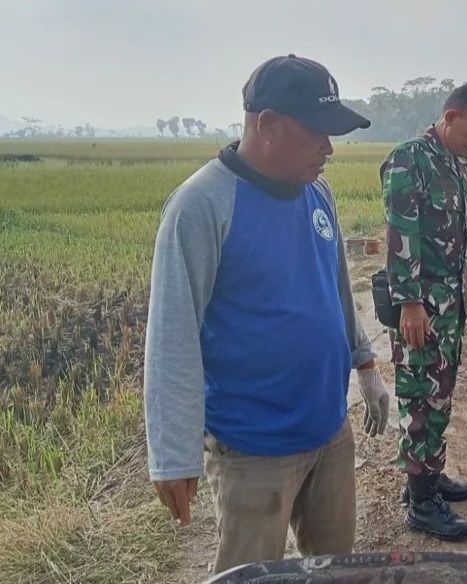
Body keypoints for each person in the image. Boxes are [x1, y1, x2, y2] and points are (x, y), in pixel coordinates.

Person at [143, 54, 390, 574]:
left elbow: (337, 285)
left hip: (328, 431)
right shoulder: (202, 205)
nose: (329, 148)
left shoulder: (318, 192)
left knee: (332, 567)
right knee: (251, 574)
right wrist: (173, 454)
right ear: (268, 124)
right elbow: (172, 333)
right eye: (317, 132)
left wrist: (365, 363)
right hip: (253, 449)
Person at [381, 83, 467, 541]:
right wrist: (408, 302)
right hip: (422, 308)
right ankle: (421, 502)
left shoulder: (454, 163)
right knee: (421, 398)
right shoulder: (411, 160)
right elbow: (401, 232)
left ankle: (429, 477)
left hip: (448, 306)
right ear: (449, 117)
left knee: (440, 393)